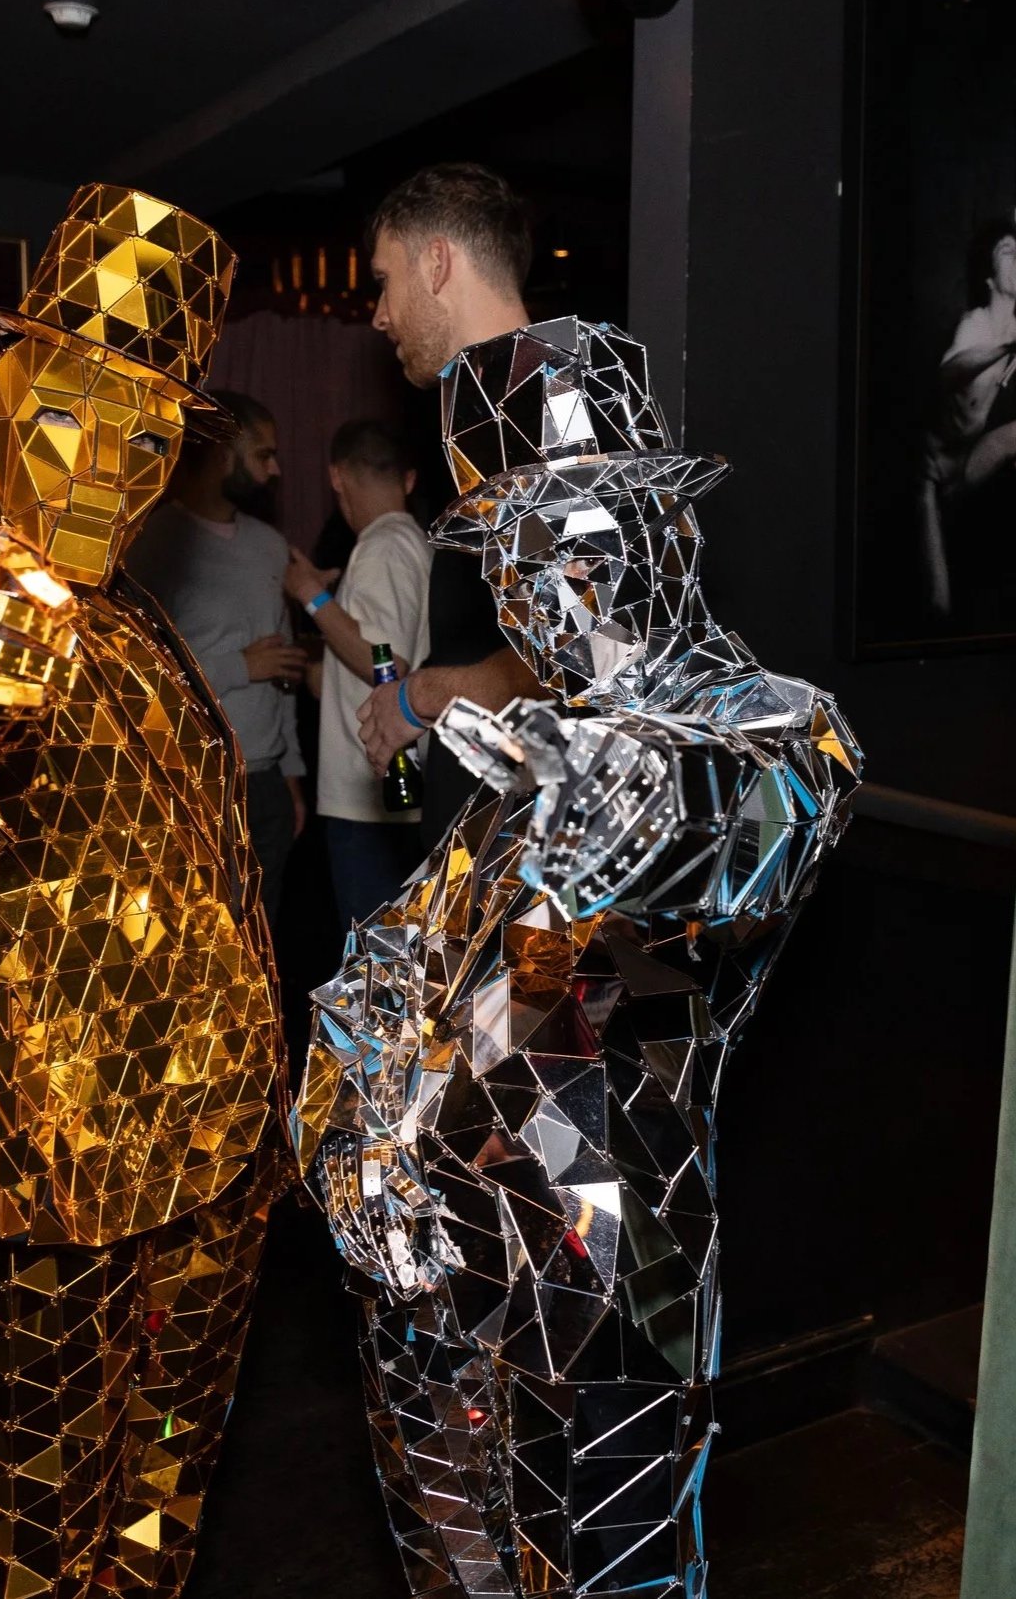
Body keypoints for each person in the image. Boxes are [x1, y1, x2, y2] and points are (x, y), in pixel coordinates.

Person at [293, 319, 862, 1599]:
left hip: (603, 1301)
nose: (548, 591)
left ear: (671, 535)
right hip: (426, 1304)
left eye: (582, 541)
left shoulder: (754, 728)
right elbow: (380, 976)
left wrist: (626, 802)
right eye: (511, 557)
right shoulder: (519, 766)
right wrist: (349, 1158)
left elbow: (741, 819)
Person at [0, 184, 286, 1599]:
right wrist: (22, 553)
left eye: (156, 414)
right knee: (30, 1541)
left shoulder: (142, 624)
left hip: (218, 1159)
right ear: (10, 387)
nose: (123, 439)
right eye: (88, 393)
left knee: (161, 1515)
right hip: (59, 1176)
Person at [354, 163, 544, 848]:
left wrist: (418, 697)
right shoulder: (491, 412)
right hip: (498, 827)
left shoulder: (542, 405)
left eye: (383, 280)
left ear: (436, 263)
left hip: (543, 867)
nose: (378, 314)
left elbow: (595, 654)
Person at [126, 389, 307, 928]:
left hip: (266, 785)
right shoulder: (152, 543)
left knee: (265, 941)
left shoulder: (272, 546)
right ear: (224, 455)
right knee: (197, 944)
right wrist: (238, 667)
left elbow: (286, 671)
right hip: (190, 786)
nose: (273, 471)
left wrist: (291, 778)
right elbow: (138, 677)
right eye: (263, 455)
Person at [283, 420, 430, 935]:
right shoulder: (407, 543)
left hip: (372, 802)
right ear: (407, 479)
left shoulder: (383, 545)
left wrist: (311, 595)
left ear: (337, 477)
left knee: (378, 966)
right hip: (379, 797)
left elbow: (386, 661)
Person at [920, 217, 1016, 618]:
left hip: (970, 458)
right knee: (939, 604)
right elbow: (949, 373)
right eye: (1008, 253)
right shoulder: (975, 323)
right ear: (990, 277)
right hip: (934, 470)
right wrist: (1005, 348)